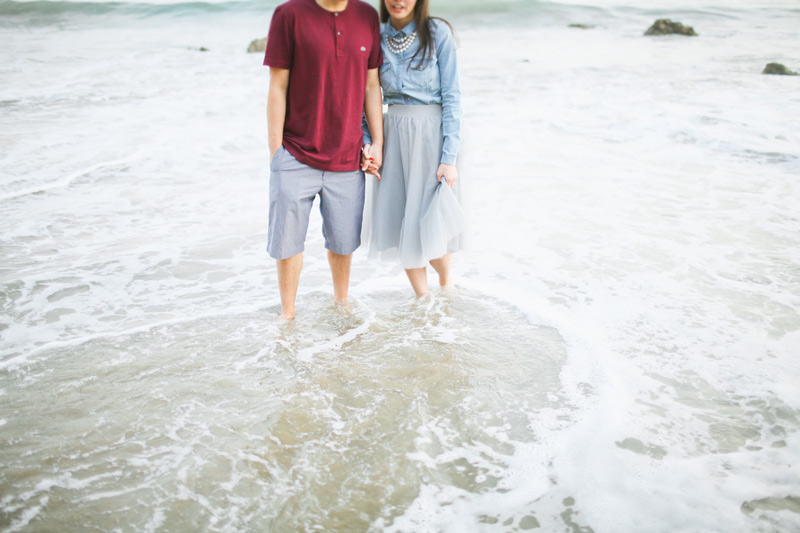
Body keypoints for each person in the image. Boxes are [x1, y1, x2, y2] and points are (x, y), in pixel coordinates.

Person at [264, 0, 384, 319]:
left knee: (343, 244)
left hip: (348, 157)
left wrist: (378, 142)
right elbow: (278, 85)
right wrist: (276, 151)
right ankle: (287, 316)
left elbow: (372, 86)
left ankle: (341, 307)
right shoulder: (289, 14)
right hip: (295, 152)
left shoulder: (367, 16)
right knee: (288, 244)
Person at [361, 0, 468, 297]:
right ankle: (423, 302)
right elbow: (364, 95)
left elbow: (453, 97)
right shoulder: (374, 35)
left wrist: (449, 158)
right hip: (392, 134)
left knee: (430, 220)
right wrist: (368, 140)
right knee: (400, 220)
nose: (399, 0)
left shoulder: (438, 33)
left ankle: (446, 286)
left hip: (432, 135)